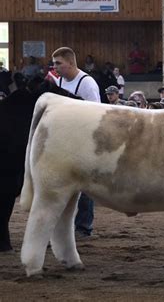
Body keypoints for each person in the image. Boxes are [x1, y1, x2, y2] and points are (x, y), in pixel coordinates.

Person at [52, 47, 100, 238]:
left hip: (84, 139)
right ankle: (65, 225)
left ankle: (83, 226)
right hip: (64, 138)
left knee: (84, 185)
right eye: (54, 63)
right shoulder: (59, 80)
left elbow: (96, 113)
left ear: (71, 63)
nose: (55, 67)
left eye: (58, 63)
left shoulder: (87, 83)